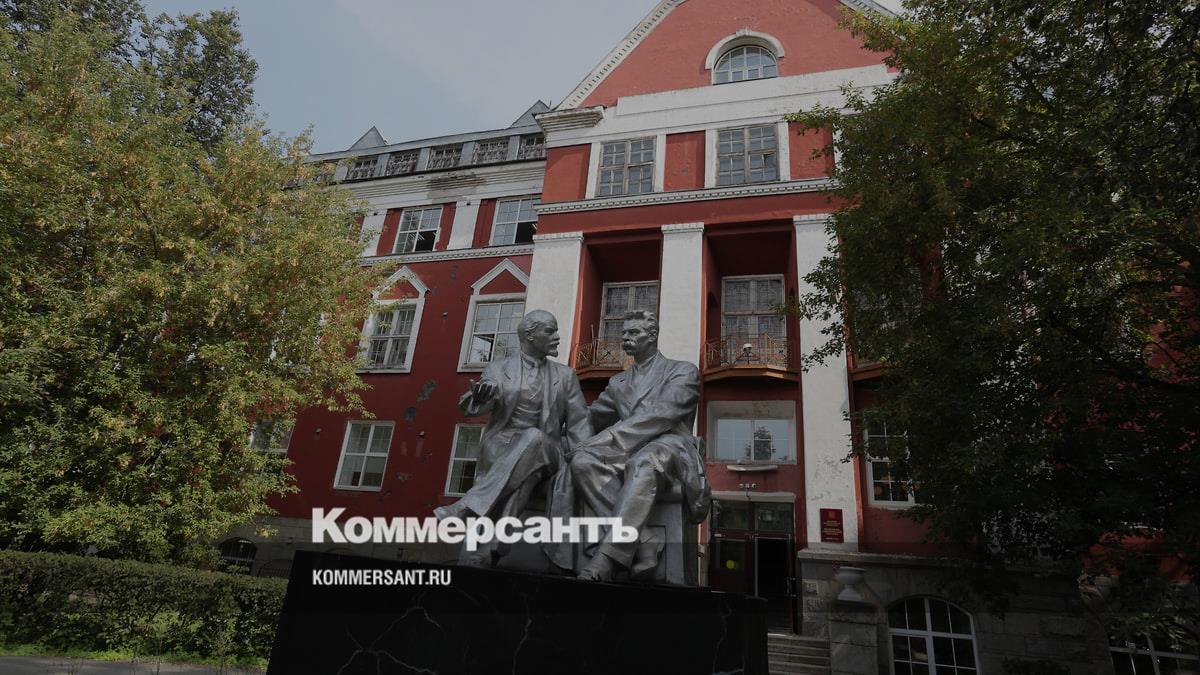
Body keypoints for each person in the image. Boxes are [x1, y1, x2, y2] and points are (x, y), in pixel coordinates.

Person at [552, 310, 711, 582]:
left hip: (672, 445)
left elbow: (662, 414)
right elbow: (592, 417)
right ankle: (645, 540)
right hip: (629, 448)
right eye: (624, 333)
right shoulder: (618, 382)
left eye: (634, 332)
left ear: (652, 336)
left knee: (645, 461)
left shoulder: (682, 371)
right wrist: (556, 419)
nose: (626, 337)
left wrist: (607, 439)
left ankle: (607, 558)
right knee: (582, 461)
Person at [434, 310, 591, 566]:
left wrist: (584, 459)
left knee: (533, 438)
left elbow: (579, 423)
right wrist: (479, 399)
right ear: (529, 335)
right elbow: (477, 402)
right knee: (525, 474)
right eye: (550, 331)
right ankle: (493, 547)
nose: (557, 337)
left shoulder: (565, 376)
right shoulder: (499, 368)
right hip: (503, 444)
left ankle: (467, 507)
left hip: (549, 450)